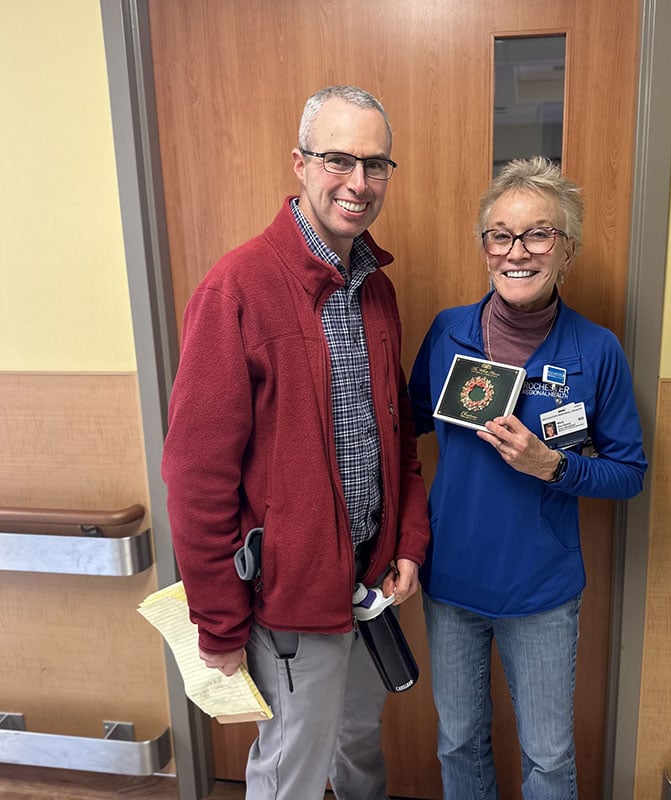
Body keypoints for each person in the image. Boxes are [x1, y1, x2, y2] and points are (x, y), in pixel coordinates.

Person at [162, 85, 431, 800]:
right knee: (292, 777)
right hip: (289, 603)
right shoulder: (237, 287)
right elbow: (196, 476)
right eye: (338, 159)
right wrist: (219, 622)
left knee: (359, 754)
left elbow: (398, 437)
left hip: (370, 589)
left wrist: (408, 542)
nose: (358, 183)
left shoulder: (375, 288)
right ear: (300, 163)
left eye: (376, 164)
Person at [409, 157, 647, 800]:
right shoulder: (448, 332)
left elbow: (628, 474)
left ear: (567, 249)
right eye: (501, 235)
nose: (517, 252)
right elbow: (402, 435)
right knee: (458, 741)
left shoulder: (596, 350)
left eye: (539, 234)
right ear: (486, 247)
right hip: (450, 581)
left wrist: (554, 465)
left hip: (542, 591)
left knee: (548, 757)